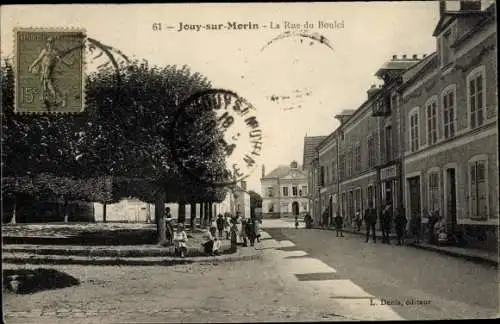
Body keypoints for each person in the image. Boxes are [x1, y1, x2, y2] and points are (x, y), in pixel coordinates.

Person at [29, 37, 73, 108]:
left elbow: (60, 60)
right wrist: (31, 66)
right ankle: (49, 100)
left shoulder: (54, 52)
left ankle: (56, 99)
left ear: (53, 43)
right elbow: (38, 59)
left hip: (48, 70)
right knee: (45, 85)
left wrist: (68, 64)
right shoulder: (44, 51)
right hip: (44, 70)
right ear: (47, 43)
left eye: (51, 42)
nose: (50, 44)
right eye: (48, 42)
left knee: (49, 86)